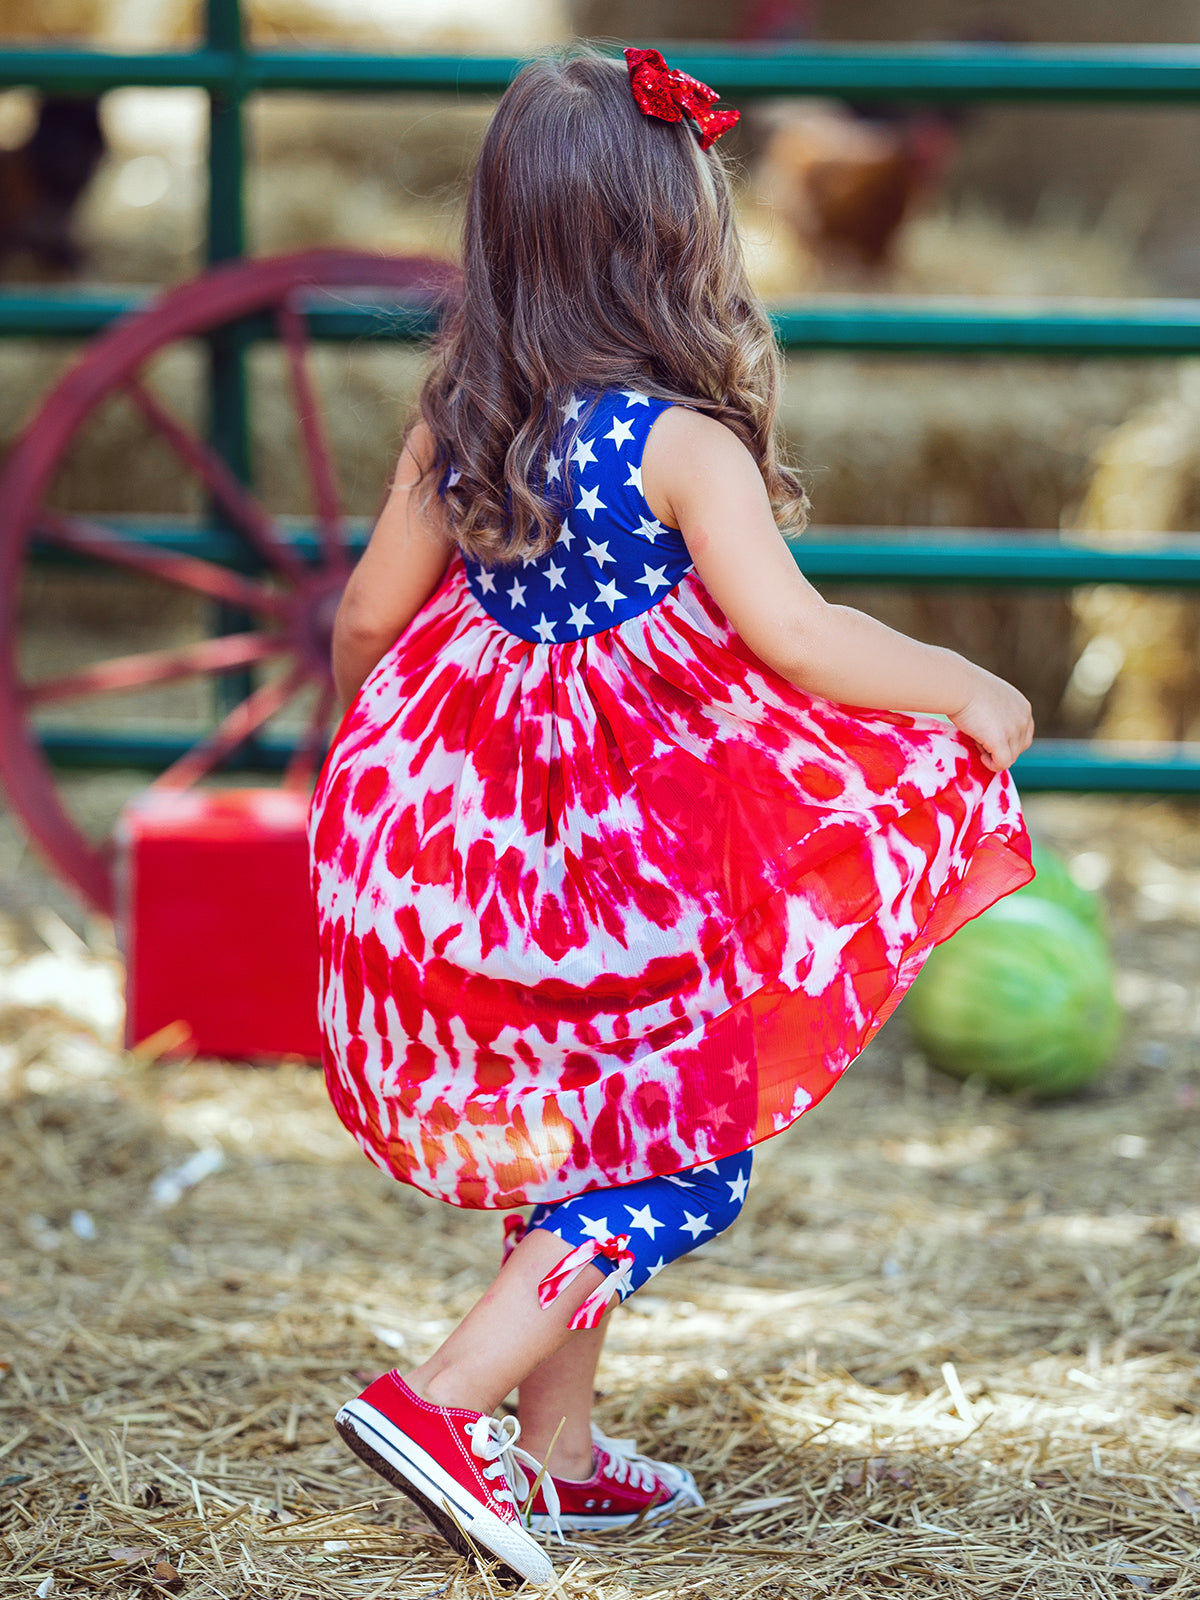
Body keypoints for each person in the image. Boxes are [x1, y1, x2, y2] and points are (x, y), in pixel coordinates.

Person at [308, 45, 1034, 1585]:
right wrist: (960, 681)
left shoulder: (458, 425)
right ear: (677, 242)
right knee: (675, 1154)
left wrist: (365, 752)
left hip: (488, 869)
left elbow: (369, 617)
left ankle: (557, 1457)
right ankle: (443, 1404)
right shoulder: (682, 444)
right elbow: (802, 636)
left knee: (585, 1133)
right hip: (636, 873)